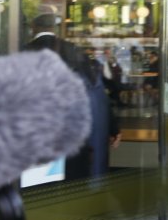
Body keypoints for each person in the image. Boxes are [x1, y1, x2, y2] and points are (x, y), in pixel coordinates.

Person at [25, 12, 121, 179]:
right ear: (55, 29)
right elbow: (97, 92)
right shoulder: (74, 52)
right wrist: (113, 128)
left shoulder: (23, 52)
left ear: (33, 28)